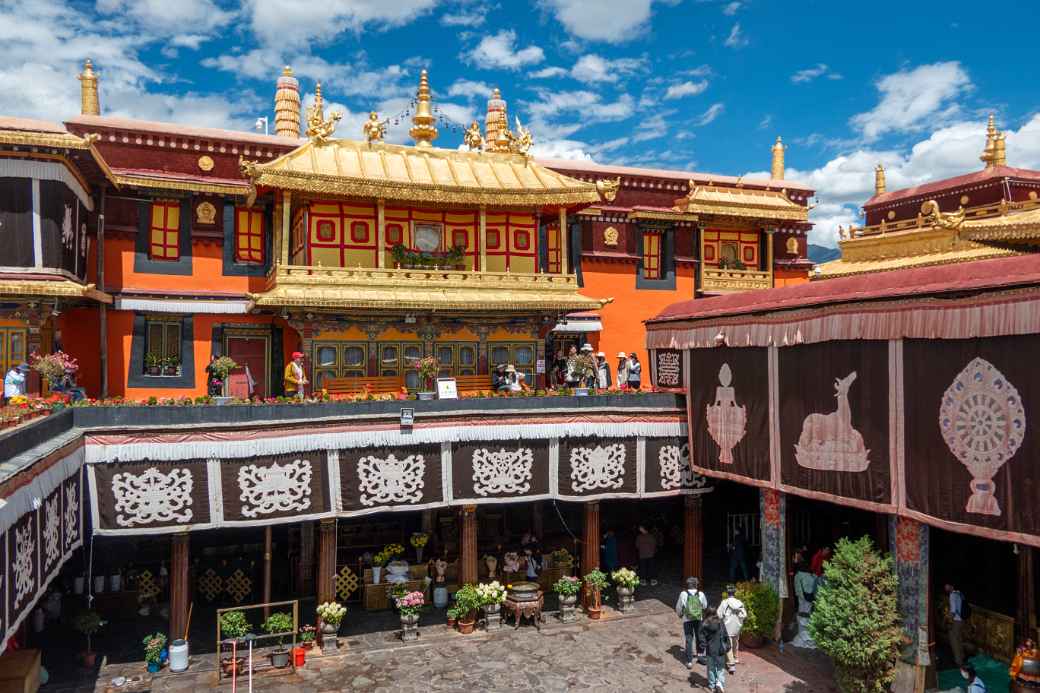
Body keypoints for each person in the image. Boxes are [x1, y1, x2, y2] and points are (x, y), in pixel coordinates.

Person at [675, 577, 708, 669]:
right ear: (696, 585)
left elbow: (678, 607)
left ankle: (689, 661)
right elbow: (705, 606)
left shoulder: (683, 594)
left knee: (689, 639)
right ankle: (700, 657)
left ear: (688, 585)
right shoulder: (701, 594)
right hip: (698, 619)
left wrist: (680, 614)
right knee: (700, 637)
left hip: (687, 620)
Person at [718, 584, 748, 674]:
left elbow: (719, 614)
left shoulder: (724, 602)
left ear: (727, 593)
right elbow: (744, 615)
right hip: (737, 626)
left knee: (728, 645)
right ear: (734, 593)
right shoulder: (739, 602)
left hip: (727, 627)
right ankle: (735, 658)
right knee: (735, 642)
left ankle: (731, 665)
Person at [699, 611, 729, 692]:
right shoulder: (720, 622)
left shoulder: (704, 624)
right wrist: (728, 646)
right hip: (720, 649)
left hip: (710, 650)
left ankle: (712, 685)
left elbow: (702, 639)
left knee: (711, 669)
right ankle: (720, 684)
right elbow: (725, 635)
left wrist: (701, 649)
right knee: (720, 668)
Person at [792, 561, 817, 648]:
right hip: (812, 598)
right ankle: (811, 638)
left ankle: (803, 638)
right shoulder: (813, 575)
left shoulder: (798, 575)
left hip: (803, 599)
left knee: (802, 617)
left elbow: (798, 590)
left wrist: (801, 599)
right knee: (810, 616)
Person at [946, 583, 966, 667]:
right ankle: (962, 656)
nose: (945, 588)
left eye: (947, 586)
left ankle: (958, 661)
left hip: (956, 621)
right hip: (962, 620)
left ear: (952, 586)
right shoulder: (960, 593)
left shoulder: (952, 595)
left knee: (954, 641)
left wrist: (948, 620)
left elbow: (953, 611)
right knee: (959, 639)